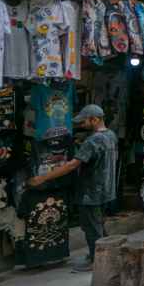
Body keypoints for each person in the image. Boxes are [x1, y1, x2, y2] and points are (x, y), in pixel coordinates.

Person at [28, 104, 118, 272]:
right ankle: (103, 254)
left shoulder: (93, 140)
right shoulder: (111, 135)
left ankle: (96, 260)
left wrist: (42, 178)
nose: (81, 125)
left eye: (84, 122)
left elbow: (72, 166)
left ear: (95, 119)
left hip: (91, 192)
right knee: (98, 224)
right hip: (107, 189)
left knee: (92, 228)